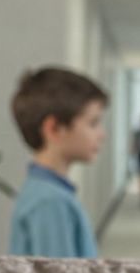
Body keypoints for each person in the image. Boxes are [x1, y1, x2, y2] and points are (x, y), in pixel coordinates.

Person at [8, 67, 108, 258]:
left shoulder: (47, 192)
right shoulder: (50, 203)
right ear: (53, 128)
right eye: (93, 123)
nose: (102, 134)